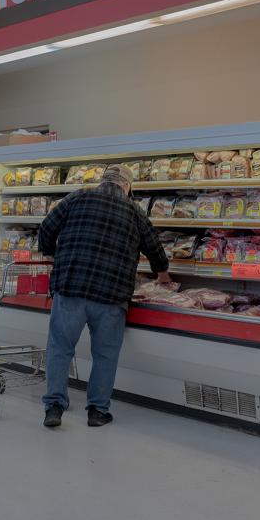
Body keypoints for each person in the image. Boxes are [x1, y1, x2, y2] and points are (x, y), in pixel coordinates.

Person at [36, 163, 172, 429]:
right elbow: (154, 247)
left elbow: (46, 228)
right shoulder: (135, 211)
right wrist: (162, 273)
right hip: (111, 295)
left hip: (72, 287)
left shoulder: (77, 196)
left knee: (60, 349)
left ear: (104, 181)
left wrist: (49, 252)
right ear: (127, 186)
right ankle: (97, 411)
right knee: (105, 355)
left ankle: (53, 407)